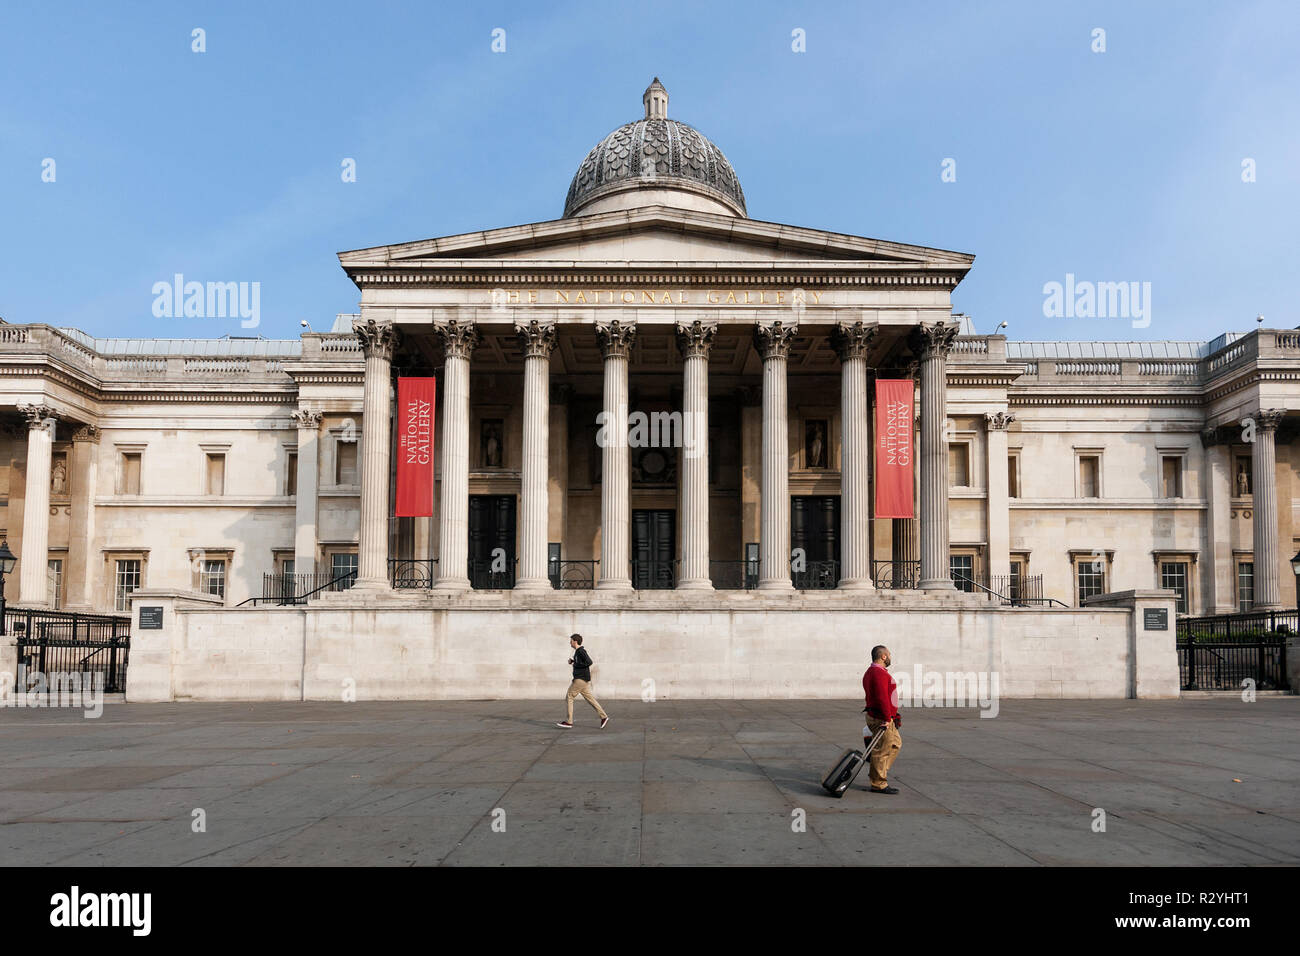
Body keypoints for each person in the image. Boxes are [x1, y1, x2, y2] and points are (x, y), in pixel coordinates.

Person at [862, 645, 902, 794]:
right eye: (889, 654)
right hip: (882, 718)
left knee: (895, 744)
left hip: (882, 716)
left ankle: (877, 770)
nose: (890, 657)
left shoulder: (872, 672)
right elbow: (881, 697)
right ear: (883, 656)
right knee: (882, 750)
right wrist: (887, 717)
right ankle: (878, 782)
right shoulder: (878, 673)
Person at [557, 633, 609, 729]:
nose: (570, 643)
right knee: (590, 699)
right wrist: (574, 662)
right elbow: (582, 663)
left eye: (571, 641)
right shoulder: (578, 652)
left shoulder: (581, 651)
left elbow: (589, 662)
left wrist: (575, 664)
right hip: (583, 680)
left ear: (575, 641)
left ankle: (569, 722)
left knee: (569, 696)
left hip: (580, 679)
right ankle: (604, 717)